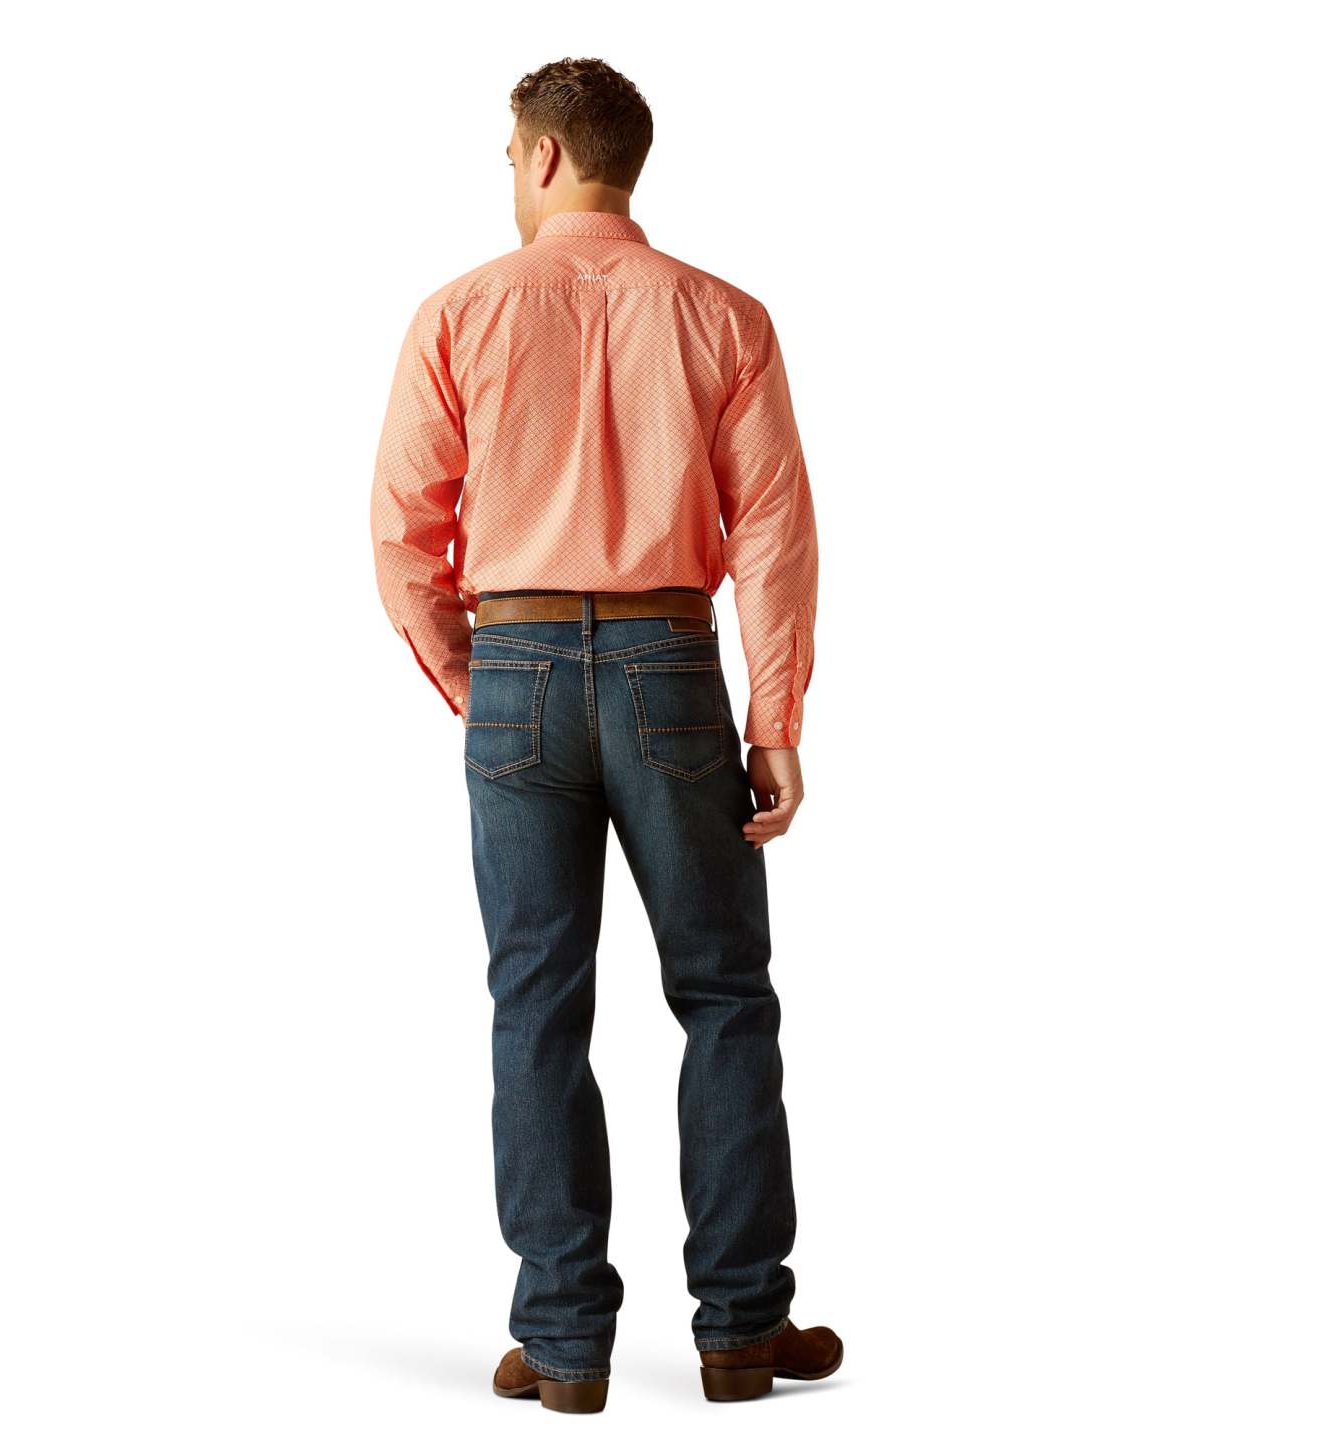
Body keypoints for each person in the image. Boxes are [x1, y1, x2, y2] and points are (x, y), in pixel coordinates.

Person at [370, 56, 840, 1412]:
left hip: (514, 665)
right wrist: (775, 717)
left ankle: (565, 1341)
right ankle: (741, 1327)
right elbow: (773, 532)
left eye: (507, 158)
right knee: (724, 993)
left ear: (538, 157)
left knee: (535, 1001)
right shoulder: (723, 315)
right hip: (670, 668)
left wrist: (478, 681)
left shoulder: (458, 311)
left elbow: (402, 536)